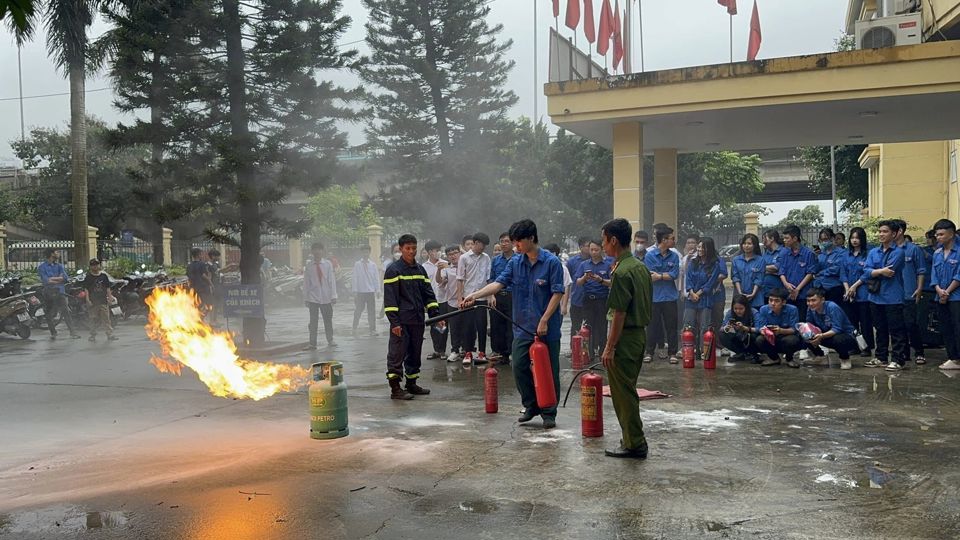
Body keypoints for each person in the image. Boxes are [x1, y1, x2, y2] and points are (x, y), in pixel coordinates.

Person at [463, 219, 565, 429]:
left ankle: (549, 412)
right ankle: (531, 406)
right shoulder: (515, 263)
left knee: (548, 370)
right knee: (519, 365)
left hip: (547, 327)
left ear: (531, 238)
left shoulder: (551, 262)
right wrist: (475, 295)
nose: (516, 246)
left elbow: (557, 292)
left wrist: (545, 319)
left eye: (518, 242)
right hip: (522, 326)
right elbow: (498, 283)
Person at [591, 218, 653, 458]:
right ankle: (631, 438)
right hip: (638, 336)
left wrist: (609, 347)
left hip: (625, 338)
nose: (603, 245)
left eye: (604, 240)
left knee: (623, 393)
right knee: (628, 389)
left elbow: (619, 313)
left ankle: (635, 443)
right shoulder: (639, 267)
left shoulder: (622, 271)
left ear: (613, 240)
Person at [383, 234, 442, 399]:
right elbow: (390, 299)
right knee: (397, 354)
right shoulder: (393, 270)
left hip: (417, 320)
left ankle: (411, 384)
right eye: (408, 248)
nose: (411, 251)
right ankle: (395, 389)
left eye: (414, 248)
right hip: (401, 322)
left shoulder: (420, 270)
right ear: (401, 249)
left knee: (415, 353)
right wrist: (394, 322)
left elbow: (428, 295)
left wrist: (436, 316)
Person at [863, 220, 908, 371]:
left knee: (896, 330)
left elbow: (890, 271)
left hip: (892, 296)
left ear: (894, 234)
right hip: (875, 297)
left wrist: (875, 271)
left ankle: (898, 359)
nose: (881, 234)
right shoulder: (873, 252)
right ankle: (880, 357)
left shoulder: (899, 252)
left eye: (885, 231)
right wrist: (880, 271)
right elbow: (866, 271)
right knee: (880, 329)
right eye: (880, 231)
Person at [683, 237, 725, 359]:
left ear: (709, 249)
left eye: (703, 247)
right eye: (699, 247)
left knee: (705, 327)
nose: (700, 249)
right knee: (688, 325)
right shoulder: (693, 262)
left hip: (706, 298)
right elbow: (688, 279)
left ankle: (704, 351)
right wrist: (691, 292)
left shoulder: (715, 265)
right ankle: (690, 351)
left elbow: (710, 283)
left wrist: (698, 293)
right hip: (691, 299)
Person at [644, 226, 680, 363]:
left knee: (671, 326)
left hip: (670, 296)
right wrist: (664, 275)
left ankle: (672, 353)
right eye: (672, 238)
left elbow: (674, 274)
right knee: (652, 326)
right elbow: (650, 274)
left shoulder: (675, 256)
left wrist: (659, 275)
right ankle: (649, 352)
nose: (674, 240)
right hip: (654, 297)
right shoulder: (650, 255)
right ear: (664, 240)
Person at [894, 219, 928, 365]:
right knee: (897, 325)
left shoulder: (914, 249)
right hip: (893, 295)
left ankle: (919, 352)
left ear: (900, 231)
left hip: (910, 293)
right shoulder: (888, 250)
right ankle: (904, 353)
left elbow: (921, 271)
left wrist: (919, 288)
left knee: (911, 324)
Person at [456, 232, 492, 366]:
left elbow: (489, 279)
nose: (483, 248)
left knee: (482, 326)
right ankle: (468, 352)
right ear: (475, 243)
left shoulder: (486, 258)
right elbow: (460, 279)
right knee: (468, 326)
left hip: (482, 297)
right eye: (482, 244)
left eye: (485, 246)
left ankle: (482, 352)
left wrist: (490, 295)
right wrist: (460, 299)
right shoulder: (464, 258)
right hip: (468, 298)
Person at [804, 287, 858, 370]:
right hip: (825, 335)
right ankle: (820, 357)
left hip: (846, 336)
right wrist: (812, 336)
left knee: (839, 339)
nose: (810, 303)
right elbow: (809, 325)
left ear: (822, 300)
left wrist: (821, 336)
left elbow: (837, 329)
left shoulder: (832, 307)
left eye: (813, 300)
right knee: (804, 334)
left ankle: (845, 358)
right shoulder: (810, 309)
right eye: (808, 301)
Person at [576, 240, 614, 358]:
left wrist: (601, 280)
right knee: (588, 327)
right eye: (591, 250)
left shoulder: (608, 264)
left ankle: (603, 351)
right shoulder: (584, 264)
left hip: (602, 299)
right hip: (588, 299)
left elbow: (613, 282)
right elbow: (577, 282)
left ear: (601, 249)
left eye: (596, 250)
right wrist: (584, 278)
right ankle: (589, 352)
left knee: (602, 326)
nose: (593, 252)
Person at [841, 227, 875, 358]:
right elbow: (843, 273)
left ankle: (866, 347)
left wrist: (854, 287)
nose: (854, 240)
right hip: (849, 294)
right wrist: (847, 289)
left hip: (863, 293)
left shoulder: (868, 254)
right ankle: (855, 346)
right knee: (851, 323)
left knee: (865, 323)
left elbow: (867, 274)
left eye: (857, 238)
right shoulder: (846, 255)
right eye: (852, 238)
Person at [931, 219, 960, 370]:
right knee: (946, 327)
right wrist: (938, 289)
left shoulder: (959, 251)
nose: (938, 237)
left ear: (951, 234)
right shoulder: (937, 253)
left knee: (957, 327)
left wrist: (947, 291)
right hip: (940, 296)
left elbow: (959, 275)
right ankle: (953, 358)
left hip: (956, 297)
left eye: (941, 234)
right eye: (937, 234)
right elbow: (934, 274)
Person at [754, 288, 803, 367]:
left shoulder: (792, 309)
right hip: (770, 336)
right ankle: (774, 358)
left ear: (783, 302)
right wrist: (763, 331)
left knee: (792, 340)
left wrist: (781, 331)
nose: (773, 303)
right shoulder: (763, 309)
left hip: (786, 336)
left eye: (776, 301)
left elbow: (794, 329)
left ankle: (789, 359)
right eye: (770, 300)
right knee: (759, 339)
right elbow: (760, 327)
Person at [38, 248, 80, 340]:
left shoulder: (59, 266)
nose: (58, 254)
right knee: (49, 314)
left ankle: (73, 332)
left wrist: (53, 279)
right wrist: (58, 278)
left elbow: (65, 278)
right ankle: (53, 333)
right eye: (56, 252)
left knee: (66, 312)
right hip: (49, 292)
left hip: (60, 292)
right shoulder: (42, 267)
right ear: (51, 254)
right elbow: (46, 280)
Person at [779, 225, 818, 323]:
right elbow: (781, 271)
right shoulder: (784, 253)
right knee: (788, 321)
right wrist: (786, 284)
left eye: (787, 238)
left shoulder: (808, 253)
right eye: (784, 238)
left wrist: (797, 289)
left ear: (795, 238)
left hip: (803, 294)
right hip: (787, 293)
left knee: (803, 321)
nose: (784, 240)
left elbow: (810, 273)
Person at [303, 242, 337, 350]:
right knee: (313, 321)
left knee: (328, 319)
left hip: (326, 297)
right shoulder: (309, 266)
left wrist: (333, 295)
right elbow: (306, 283)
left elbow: (332, 280)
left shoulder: (327, 264)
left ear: (322, 251)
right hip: (313, 297)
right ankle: (312, 343)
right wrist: (306, 298)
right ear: (312, 251)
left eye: (319, 249)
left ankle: (330, 340)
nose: (317, 252)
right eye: (315, 249)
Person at [488, 233, 515, 364]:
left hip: (513, 296)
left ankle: (512, 352)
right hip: (497, 296)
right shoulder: (496, 260)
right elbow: (491, 278)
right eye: (501, 241)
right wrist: (491, 294)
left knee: (512, 325)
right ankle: (501, 353)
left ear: (513, 243)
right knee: (497, 326)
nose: (504, 243)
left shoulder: (519, 259)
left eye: (507, 241)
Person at [436, 245, 463, 362]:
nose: (453, 256)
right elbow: (439, 281)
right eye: (450, 254)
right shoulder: (447, 268)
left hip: (466, 300)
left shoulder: (465, 266)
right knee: (454, 327)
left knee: (467, 327)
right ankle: (455, 350)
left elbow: (462, 275)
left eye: (455, 253)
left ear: (460, 254)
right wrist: (439, 269)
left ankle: (467, 349)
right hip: (451, 302)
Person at [82, 258, 118, 342]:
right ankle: (92, 335)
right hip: (93, 301)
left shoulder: (103, 276)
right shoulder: (88, 277)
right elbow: (86, 289)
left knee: (106, 318)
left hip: (103, 301)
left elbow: (107, 288)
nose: (95, 266)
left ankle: (109, 334)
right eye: (93, 265)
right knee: (93, 319)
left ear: (99, 265)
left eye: (97, 264)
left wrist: (109, 297)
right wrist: (87, 299)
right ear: (91, 267)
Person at [718, 294, 759, 364]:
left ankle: (753, 353)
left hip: (750, 337)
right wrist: (727, 328)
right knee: (722, 334)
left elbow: (760, 329)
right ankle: (740, 353)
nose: (738, 311)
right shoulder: (730, 313)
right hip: (738, 337)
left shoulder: (753, 312)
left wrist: (745, 328)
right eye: (735, 309)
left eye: (741, 309)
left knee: (757, 337)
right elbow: (721, 328)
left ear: (746, 307)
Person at [732, 233, 765, 311]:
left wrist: (753, 294)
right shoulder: (736, 260)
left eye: (749, 244)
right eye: (744, 243)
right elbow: (735, 277)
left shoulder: (760, 260)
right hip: (739, 297)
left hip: (756, 297)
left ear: (755, 245)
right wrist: (740, 293)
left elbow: (759, 279)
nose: (746, 246)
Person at [814, 228, 846, 305]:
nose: (824, 242)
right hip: (819, 287)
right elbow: (815, 269)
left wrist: (821, 272)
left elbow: (836, 269)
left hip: (834, 287)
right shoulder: (821, 253)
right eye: (821, 240)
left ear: (832, 238)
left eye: (826, 239)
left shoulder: (841, 253)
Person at [352, 248, 380, 337]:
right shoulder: (357, 264)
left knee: (371, 311)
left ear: (369, 252)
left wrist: (378, 290)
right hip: (360, 292)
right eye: (364, 251)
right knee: (358, 310)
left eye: (367, 251)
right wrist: (355, 291)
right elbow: (355, 277)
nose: (365, 253)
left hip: (370, 291)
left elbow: (376, 278)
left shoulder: (373, 265)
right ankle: (354, 327)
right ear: (361, 252)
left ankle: (373, 329)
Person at [567, 238, 591, 338]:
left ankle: (590, 349)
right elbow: (568, 281)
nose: (590, 249)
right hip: (577, 299)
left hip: (591, 299)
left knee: (590, 326)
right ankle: (574, 349)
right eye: (588, 246)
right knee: (576, 326)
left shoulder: (594, 260)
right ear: (581, 247)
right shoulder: (572, 262)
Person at [761, 229, 788, 303]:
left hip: (778, 292)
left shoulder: (783, 251)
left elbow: (777, 268)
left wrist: (763, 269)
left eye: (764, 238)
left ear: (772, 238)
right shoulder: (766, 253)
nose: (763, 241)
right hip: (765, 291)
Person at [187, 247, 213, 312]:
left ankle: (198, 318)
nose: (202, 255)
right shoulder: (202, 264)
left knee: (196, 305)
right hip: (202, 288)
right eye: (201, 254)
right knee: (205, 305)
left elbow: (188, 276)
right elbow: (203, 275)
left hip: (193, 288)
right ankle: (202, 319)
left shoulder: (189, 265)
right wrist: (210, 283)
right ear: (198, 255)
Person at [207, 249, 223, 324]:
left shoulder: (216, 264)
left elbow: (220, 272)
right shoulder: (208, 265)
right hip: (213, 286)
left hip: (218, 286)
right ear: (213, 256)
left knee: (216, 304)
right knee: (212, 304)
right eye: (217, 256)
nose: (219, 258)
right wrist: (211, 286)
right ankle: (211, 321)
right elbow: (209, 277)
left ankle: (215, 320)